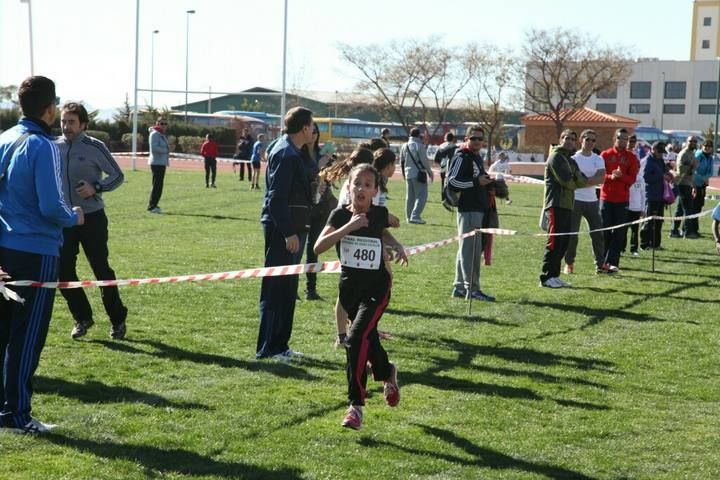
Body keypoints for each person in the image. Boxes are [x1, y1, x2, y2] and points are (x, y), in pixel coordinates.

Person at [0, 76, 84, 434]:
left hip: (5, 247)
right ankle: (16, 415)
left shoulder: (4, 138)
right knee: (27, 336)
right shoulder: (43, 145)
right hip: (36, 251)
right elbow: (52, 205)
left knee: (4, 332)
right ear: (50, 109)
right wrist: (72, 216)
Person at [314, 163, 407, 430]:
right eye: (357, 183)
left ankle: (355, 406)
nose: (361, 189)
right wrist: (348, 228)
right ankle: (387, 371)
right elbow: (319, 247)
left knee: (355, 339)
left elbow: (384, 228)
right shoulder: (339, 215)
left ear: (375, 191)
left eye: (368, 185)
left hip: (377, 288)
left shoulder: (378, 213)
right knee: (369, 338)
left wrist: (396, 245)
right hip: (350, 290)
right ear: (349, 187)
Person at [55, 102, 128, 341]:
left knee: (101, 269)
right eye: (64, 121)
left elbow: (118, 175)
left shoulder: (95, 146)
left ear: (83, 124)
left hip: (93, 217)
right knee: (63, 270)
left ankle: (117, 319)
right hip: (65, 218)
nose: (66, 126)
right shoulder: (53, 147)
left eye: (71, 122)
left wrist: (96, 187)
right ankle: (82, 317)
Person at [257, 107, 315, 361]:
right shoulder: (286, 153)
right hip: (284, 230)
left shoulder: (293, 151)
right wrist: (289, 232)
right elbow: (276, 199)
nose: (314, 130)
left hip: (295, 228)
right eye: (312, 125)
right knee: (276, 287)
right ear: (304, 127)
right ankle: (268, 348)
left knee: (289, 287)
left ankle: (281, 345)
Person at [540, 129, 602, 288]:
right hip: (556, 204)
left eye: (572, 139)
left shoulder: (570, 160)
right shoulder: (556, 157)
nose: (569, 141)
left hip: (568, 204)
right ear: (561, 139)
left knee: (563, 242)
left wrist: (578, 181)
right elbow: (566, 181)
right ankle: (546, 277)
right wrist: (578, 182)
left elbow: (581, 178)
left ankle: (555, 275)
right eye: (566, 138)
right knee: (554, 241)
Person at [446, 125, 496, 299]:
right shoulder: (462, 156)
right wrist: (477, 182)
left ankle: (459, 288)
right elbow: (452, 182)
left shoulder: (476, 157)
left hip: (477, 208)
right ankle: (472, 289)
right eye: (473, 138)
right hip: (468, 210)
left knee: (465, 250)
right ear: (466, 139)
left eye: (480, 139)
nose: (476, 141)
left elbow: (476, 179)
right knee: (471, 252)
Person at [563, 130, 606, 275]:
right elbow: (572, 180)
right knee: (572, 234)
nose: (590, 143)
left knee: (597, 233)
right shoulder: (574, 158)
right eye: (588, 139)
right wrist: (588, 181)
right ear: (581, 140)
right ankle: (569, 263)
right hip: (575, 200)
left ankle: (600, 264)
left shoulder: (598, 159)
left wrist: (582, 181)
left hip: (592, 201)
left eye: (593, 140)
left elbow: (601, 178)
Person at [303, 123, 337, 300]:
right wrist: (318, 168)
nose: (313, 135)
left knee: (312, 248)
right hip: (303, 206)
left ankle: (311, 288)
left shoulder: (322, 154)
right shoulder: (299, 154)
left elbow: (329, 179)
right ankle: (289, 287)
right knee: (296, 248)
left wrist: (329, 168)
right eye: (311, 131)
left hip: (321, 207)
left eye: (316, 132)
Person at [599, 128, 639, 273]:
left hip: (622, 200)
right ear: (614, 138)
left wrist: (621, 176)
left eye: (625, 139)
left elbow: (632, 179)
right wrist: (611, 177)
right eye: (620, 138)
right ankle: (601, 261)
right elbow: (599, 175)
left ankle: (613, 262)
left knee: (619, 232)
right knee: (604, 231)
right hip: (606, 198)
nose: (623, 141)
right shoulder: (605, 155)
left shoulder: (632, 158)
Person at [640, 142, 672, 250]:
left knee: (658, 222)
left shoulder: (660, 160)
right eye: (659, 152)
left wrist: (668, 174)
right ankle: (645, 244)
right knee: (649, 221)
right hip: (650, 195)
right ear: (653, 149)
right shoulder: (647, 161)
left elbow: (664, 171)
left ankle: (656, 244)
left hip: (660, 195)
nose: (661, 154)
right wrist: (661, 176)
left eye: (662, 152)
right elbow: (646, 178)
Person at [400, 127, 433, 224]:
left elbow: (401, 162)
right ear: (419, 135)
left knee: (410, 197)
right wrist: (430, 172)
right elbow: (424, 161)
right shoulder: (419, 145)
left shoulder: (404, 146)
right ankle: (415, 216)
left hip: (407, 173)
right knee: (422, 195)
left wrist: (403, 174)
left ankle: (408, 217)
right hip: (418, 173)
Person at [670, 136, 698, 238]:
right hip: (682, 184)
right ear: (686, 142)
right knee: (688, 209)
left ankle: (674, 231)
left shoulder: (691, 153)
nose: (693, 143)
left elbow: (692, 169)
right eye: (691, 141)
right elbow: (681, 170)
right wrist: (692, 167)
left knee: (680, 210)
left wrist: (693, 185)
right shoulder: (683, 154)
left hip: (687, 184)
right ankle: (687, 232)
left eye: (695, 141)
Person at [692, 139, 714, 237]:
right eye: (705, 146)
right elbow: (694, 171)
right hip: (694, 184)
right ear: (702, 146)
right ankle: (690, 229)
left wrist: (706, 178)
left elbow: (711, 171)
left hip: (702, 185)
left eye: (709, 147)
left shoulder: (710, 158)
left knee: (699, 207)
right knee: (693, 207)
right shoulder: (698, 156)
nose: (707, 148)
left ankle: (695, 229)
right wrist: (702, 179)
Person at [147, 117, 169, 213]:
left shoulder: (161, 134)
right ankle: (152, 206)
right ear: (157, 123)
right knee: (157, 185)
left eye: (165, 124)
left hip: (161, 163)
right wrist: (167, 150)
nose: (164, 125)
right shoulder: (155, 134)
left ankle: (154, 205)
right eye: (161, 123)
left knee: (158, 185)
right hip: (156, 163)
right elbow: (154, 148)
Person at [434, 132, 457, 201]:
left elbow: (436, 159)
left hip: (443, 167)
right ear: (453, 138)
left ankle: (443, 198)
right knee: (451, 184)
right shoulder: (455, 147)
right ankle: (450, 199)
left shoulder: (441, 146)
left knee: (443, 183)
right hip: (451, 168)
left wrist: (441, 164)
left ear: (445, 138)